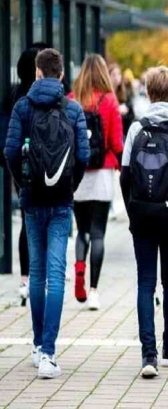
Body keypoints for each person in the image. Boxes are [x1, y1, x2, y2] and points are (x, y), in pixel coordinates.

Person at [5, 48, 90, 379]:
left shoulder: (22, 107)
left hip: (31, 199)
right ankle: (49, 353)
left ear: (38, 73)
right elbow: (83, 157)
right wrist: (69, 186)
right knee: (57, 274)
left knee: (37, 274)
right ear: (61, 75)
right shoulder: (72, 109)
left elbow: (10, 151)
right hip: (60, 201)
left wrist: (21, 183)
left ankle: (38, 345)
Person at [120, 66, 168, 379]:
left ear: (148, 92)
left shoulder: (136, 128)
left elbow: (125, 175)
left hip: (142, 213)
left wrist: (131, 210)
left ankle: (148, 355)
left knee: (145, 282)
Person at [69, 54, 124, 310]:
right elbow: (116, 143)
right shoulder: (110, 101)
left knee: (82, 231)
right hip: (102, 172)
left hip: (78, 175)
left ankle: (79, 266)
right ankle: (93, 291)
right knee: (99, 232)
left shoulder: (72, 100)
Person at [6, 43, 47, 305]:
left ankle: (25, 279)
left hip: (22, 170)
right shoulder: (39, 98)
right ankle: (39, 276)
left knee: (26, 221)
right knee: (45, 220)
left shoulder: (13, 96)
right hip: (43, 167)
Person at [110, 64, 134, 139]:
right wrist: (117, 111)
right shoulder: (106, 94)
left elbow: (131, 115)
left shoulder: (125, 94)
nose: (116, 77)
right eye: (113, 74)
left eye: (118, 74)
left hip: (123, 133)